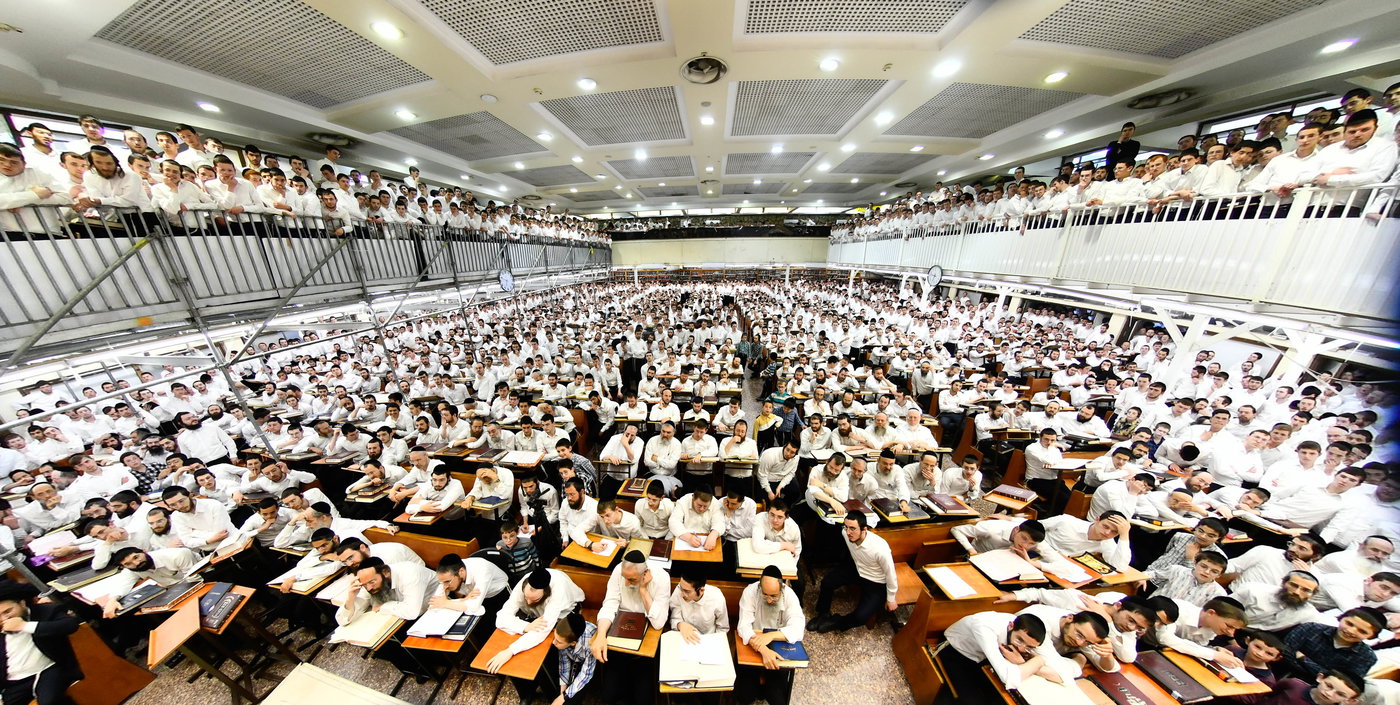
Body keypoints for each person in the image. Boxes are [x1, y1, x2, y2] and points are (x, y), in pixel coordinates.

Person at [810, 512, 898, 633]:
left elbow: (891, 573)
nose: (848, 532)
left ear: (864, 529)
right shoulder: (845, 534)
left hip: (876, 580)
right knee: (827, 582)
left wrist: (891, 598)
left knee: (861, 617)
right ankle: (823, 614)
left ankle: (837, 622)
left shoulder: (880, 548)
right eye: (846, 527)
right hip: (858, 569)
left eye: (853, 528)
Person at [0, 582, 81, 705]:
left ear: (22, 603)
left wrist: (24, 626)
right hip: (14, 681)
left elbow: (70, 625)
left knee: (48, 701)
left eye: (8, 611)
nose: (4, 619)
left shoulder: (45, 611)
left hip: (47, 670)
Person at [736, 565, 805, 705]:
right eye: (765, 594)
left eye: (774, 596)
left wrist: (771, 636)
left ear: (782, 588)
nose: (768, 600)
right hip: (753, 644)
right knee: (744, 695)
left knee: (777, 697)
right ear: (760, 586)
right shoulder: (750, 591)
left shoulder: (790, 595)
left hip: (778, 644)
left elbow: (798, 629)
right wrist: (763, 649)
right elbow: (743, 627)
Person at [551, 612, 597, 705]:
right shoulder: (563, 636)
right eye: (555, 638)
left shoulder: (590, 643)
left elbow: (586, 675)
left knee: (572, 699)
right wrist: (562, 693)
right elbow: (564, 663)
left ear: (573, 643)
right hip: (574, 658)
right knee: (558, 694)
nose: (553, 642)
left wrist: (565, 696)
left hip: (588, 664)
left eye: (559, 641)